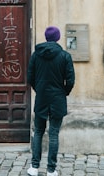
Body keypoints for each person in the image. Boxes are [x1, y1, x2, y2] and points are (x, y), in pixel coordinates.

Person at [27, 26, 75, 176]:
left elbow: (30, 78)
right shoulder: (65, 56)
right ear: (58, 38)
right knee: (53, 133)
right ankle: (51, 170)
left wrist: (39, 89)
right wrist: (64, 92)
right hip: (57, 98)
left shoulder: (36, 55)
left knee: (39, 132)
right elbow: (71, 80)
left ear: (46, 37)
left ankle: (34, 167)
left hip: (42, 98)